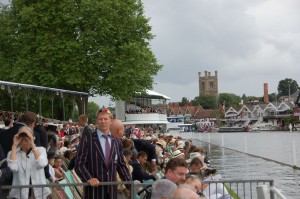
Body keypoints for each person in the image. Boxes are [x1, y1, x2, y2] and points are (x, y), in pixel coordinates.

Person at [75, 108, 132, 199]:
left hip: (112, 192)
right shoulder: (87, 139)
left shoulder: (117, 141)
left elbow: (121, 165)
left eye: (105, 119)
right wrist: (89, 178)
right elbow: (79, 164)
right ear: (97, 121)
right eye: (100, 119)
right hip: (94, 192)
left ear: (111, 121)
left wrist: (130, 184)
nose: (103, 121)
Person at [7, 126, 51, 199]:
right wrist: (14, 145)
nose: (24, 137)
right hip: (20, 194)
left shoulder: (41, 150)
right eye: (21, 135)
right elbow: (13, 168)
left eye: (27, 135)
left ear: (33, 137)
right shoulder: (13, 153)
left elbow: (42, 163)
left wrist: (33, 144)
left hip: (38, 193)